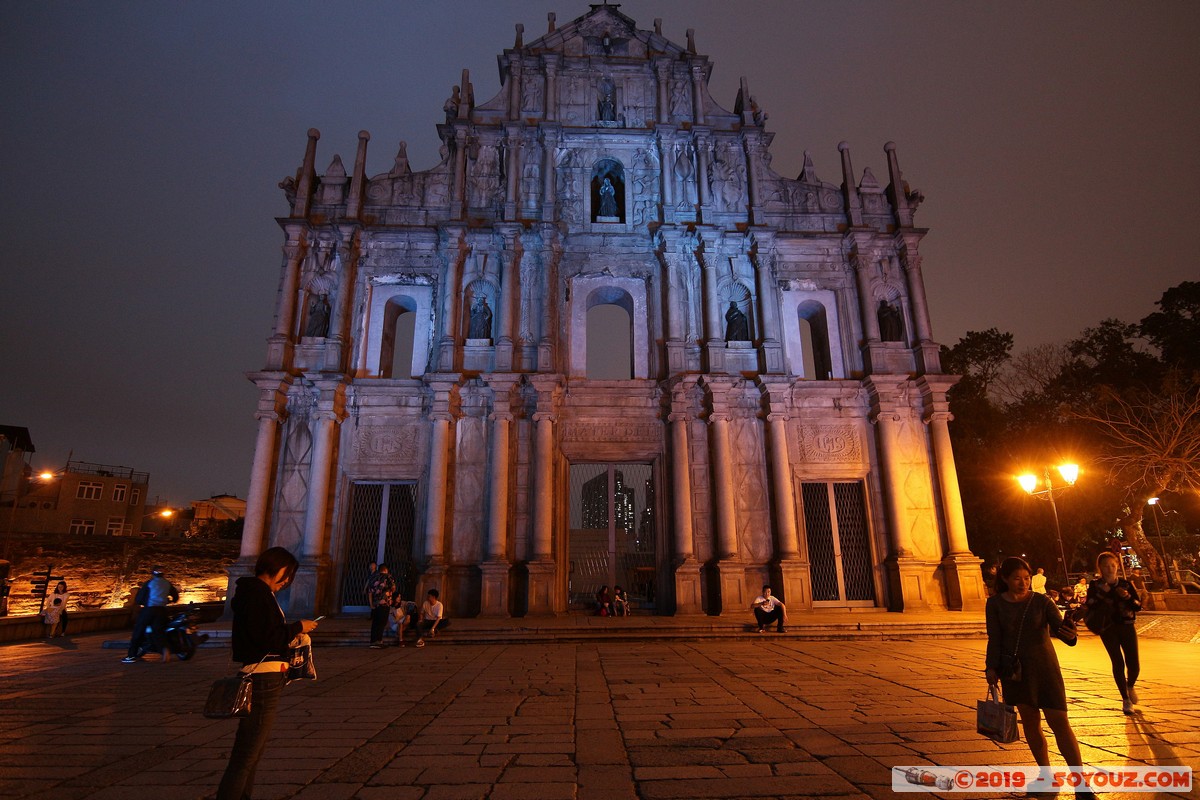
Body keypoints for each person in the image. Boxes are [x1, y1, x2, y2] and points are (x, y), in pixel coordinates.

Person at [216, 547, 318, 800]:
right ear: (278, 568)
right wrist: (297, 628)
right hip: (263, 678)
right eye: (287, 575)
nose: (286, 582)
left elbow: (263, 634)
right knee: (247, 754)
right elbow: (266, 638)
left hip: (264, 674)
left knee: (252, 751)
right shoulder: (257, 596)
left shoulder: (256, 594)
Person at [985, 557, 1091, 796]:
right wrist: (990, 667)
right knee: (1031, 723)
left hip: (1044, 669)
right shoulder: (994, 604)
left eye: (1026, 578)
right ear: (1005, 579)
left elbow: (1063, 633)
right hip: (1015, 672)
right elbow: (995, 637)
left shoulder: (1041, 601)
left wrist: (1070, 632)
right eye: (1017, 578)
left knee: (1059, 722)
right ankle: (1046, 776)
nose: (1023, 583)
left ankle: (1080, 782)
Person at [1086, 552, 1142, 714]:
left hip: (1127, 625)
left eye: (1112, 565)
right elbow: (1090, 604)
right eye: (1106, 565)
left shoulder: (1125, 584)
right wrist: (1104, 593)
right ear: (1100, 568)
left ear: (1117, 565)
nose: (1110, 569)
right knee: (1118, 662)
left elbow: (1137, 605)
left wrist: (1127, 597)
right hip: (1107, 628)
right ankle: (1125, 699)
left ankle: (1130, 685)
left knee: (1134, 664)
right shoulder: (1095, 586)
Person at [123, 566, 179, 663]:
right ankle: (164, 649)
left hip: (149, 610)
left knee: (138, 631)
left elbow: (139, 599)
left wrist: (142, 603)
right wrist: (167, 600)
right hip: (162, 610)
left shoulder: (149, 583)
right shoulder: (167, 583)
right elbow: (175, 597)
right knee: (159, 632)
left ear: (153, 574)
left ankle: (131, 656)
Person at [366, 565, 396, 649]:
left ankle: (373, 641)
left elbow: (370, 592)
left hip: (376, 603)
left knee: (375, 622)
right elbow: (393, 588)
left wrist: (371, 604)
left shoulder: (373, 577)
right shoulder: (388, 577)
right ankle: (379, 641)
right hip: (384, 603)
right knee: (382, 622)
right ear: (386, 570)